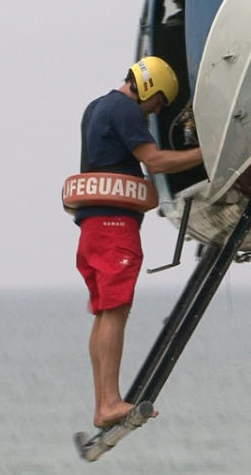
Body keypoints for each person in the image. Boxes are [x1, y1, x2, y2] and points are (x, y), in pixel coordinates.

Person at [74, 56, 203, 429]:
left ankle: (102, 404)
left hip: (92, 228)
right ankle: (111, 402)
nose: (154, 113)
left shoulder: (94, 108)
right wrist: (206, 155)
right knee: (115, 310)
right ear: (149, 87)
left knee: (103, 313)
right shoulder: (125, 110)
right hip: (115, 227)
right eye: (158, 103)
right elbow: (155, 160)